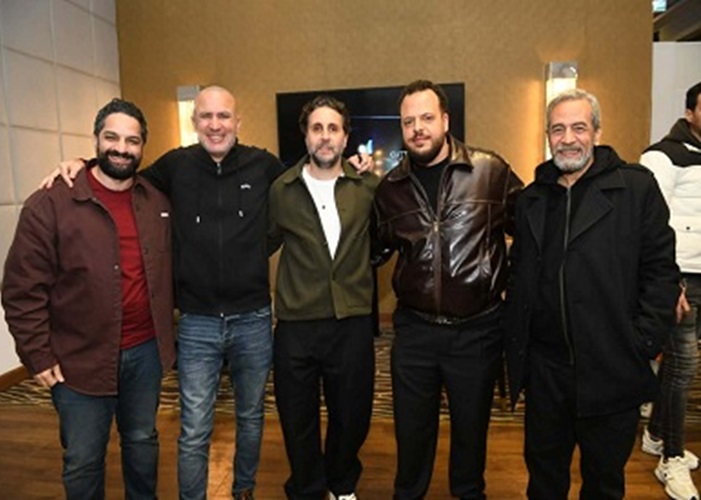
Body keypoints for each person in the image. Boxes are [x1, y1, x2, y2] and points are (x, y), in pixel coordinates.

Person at [42, 85, 372, 500]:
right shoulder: (174, 166)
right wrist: (84, 164)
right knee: (195, 426)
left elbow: (310, 175)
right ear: (194, 121)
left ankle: (243, 490)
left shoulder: (264, 166)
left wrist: (355, 166)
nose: (215, 125)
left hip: (253, 317)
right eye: (206, 116)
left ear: (238, 122)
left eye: (224, 116)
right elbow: (122, 173)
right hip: (196, 322)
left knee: (252, 416)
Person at [504, 88, 679, 500]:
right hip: (546, 372)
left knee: (603, 483)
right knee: (544, 481)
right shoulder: (532, 198)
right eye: (558, 129)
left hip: (611, 366)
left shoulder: (635, 189)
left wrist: (642, 342)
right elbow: (519, 273)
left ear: (597, 132)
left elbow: (661, 273)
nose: (568, 139)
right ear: (548, 136)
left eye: (579, 127)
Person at [2, 98, 175, 499]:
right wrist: (37, 354)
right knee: (83, 459)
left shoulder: (157, 202)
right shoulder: (51, 203)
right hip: (79, 359)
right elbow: (22, 289)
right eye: (112, 137)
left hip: (145, 353)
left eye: (132, 141)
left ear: (143, 146)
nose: (121, 148)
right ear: (96, 139)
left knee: (142, 442)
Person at [373, 79, 522, 499]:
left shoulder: (490, 171)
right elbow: (373, 250)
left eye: (426, 118)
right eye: (408, 122)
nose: (417, 129)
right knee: (411, 435)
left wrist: (509, 281)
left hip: (477, 331)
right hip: (415, 333)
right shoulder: (390, 189)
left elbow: (530, 231)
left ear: (445, 120)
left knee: (471, 435)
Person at [267, 95, 380, 500]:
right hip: (296, 325)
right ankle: (308, 488)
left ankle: (342, 483)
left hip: (350, 322)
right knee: (297, 419)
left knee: (352, 415)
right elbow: (263, 242)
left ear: (346, 137)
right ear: (306, 136)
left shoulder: (368, 188)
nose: (325, 136)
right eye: (317, 128)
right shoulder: (282, 190)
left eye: (334, 128)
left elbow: (383, 239)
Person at [639, 81, 701, 500]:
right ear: (690, 112)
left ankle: (657, 434)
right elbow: (649, 223)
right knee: (683, 367)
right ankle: (671, 458)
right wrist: (668, 281)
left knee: (680, 366)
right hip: (680, 279)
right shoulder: (662, 156)